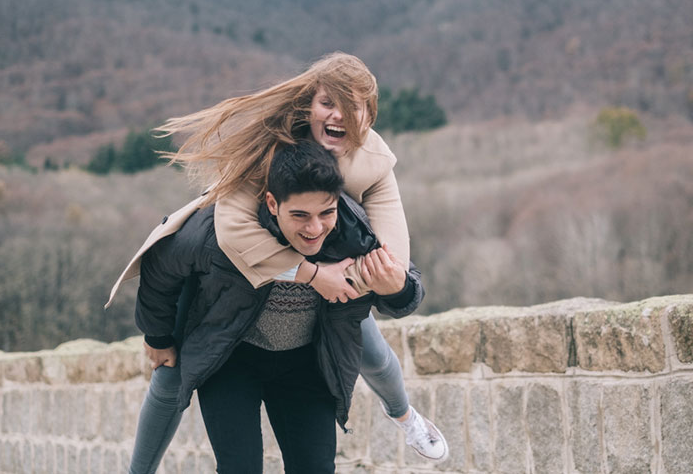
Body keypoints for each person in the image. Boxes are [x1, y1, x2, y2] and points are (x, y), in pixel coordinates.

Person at [105, 53, 447, 466]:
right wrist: (313, 274)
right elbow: (227, 236)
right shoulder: (266, 154)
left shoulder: (372, 167)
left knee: (368, 348)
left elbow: (394, 267)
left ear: (369, 114)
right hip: (233, 299)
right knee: (170, 372)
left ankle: (405, 415)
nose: (338, 114)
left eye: (352, 105)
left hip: (322, 308)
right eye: (328, 103)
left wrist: (378, 281)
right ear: (308, 107)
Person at [132, 141, 423, 472]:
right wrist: (157, 336)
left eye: (326, 213)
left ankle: (404, 413)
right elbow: (159, 268)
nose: (314, 229)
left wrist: (396, 289)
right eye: (299, 215)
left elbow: (408, 289)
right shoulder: (217, 232)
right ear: (272, 203)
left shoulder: (353, 234)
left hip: (304, 363)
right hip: (232, 359)